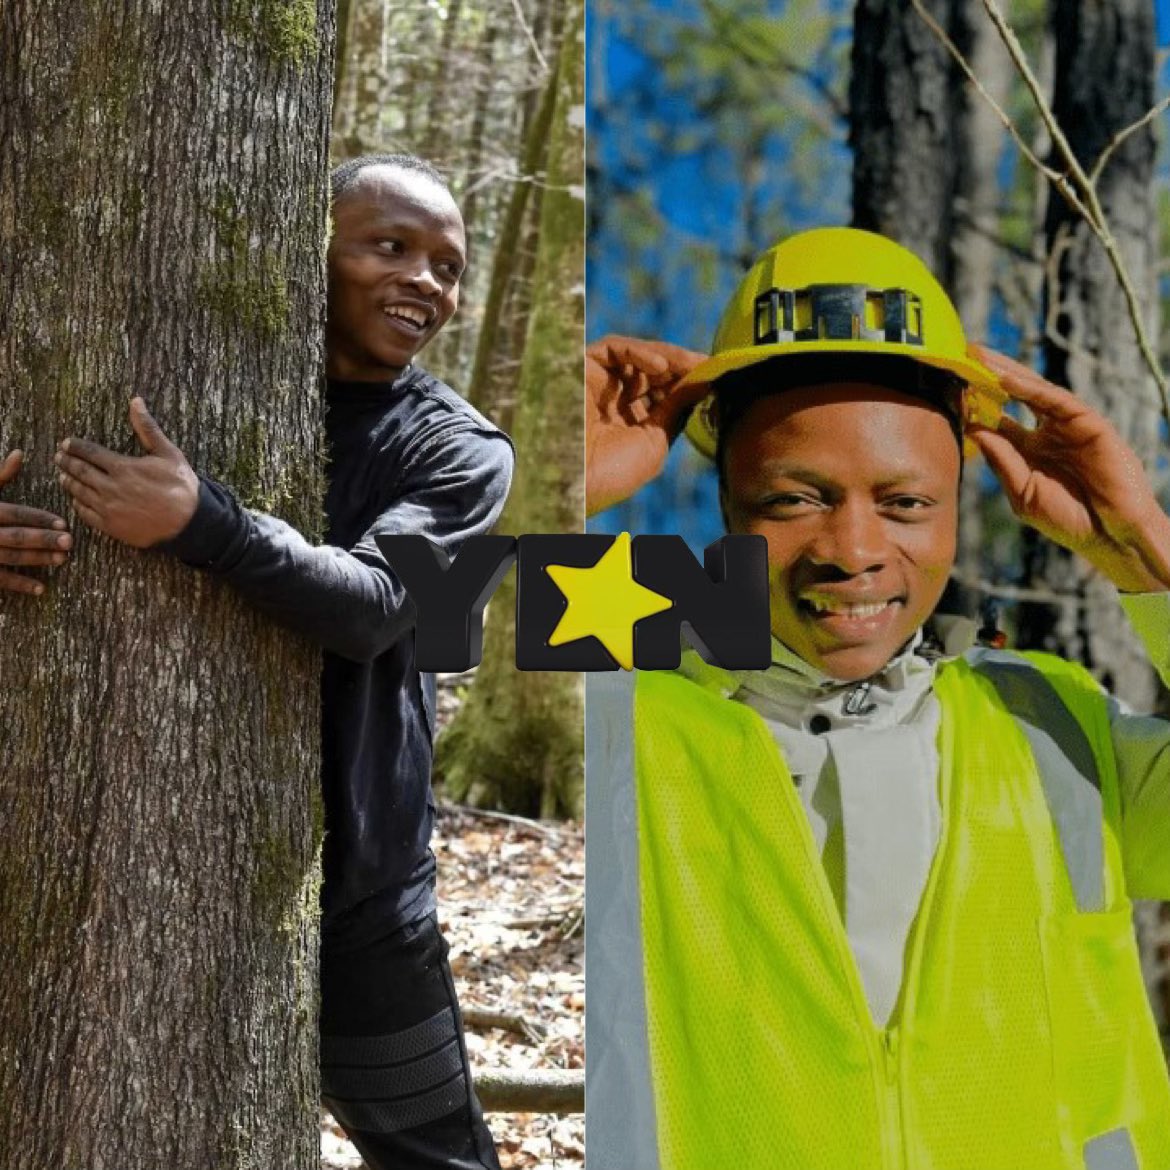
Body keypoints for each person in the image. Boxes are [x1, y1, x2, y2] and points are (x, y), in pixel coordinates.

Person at [584, 227, 1170, 1170]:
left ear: (959, 496)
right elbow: (370, 668)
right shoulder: (623, 716)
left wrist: (1146, 554)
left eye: (905, 503)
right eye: (793, 500)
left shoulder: (1052, 720)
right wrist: (534, 477)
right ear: (726, 501)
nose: (851, 551)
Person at [10, 154, 511, 1170]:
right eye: (389, 246)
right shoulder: (91, 348)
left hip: (357, 898)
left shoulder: (459, 450)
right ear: (306, 246)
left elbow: (375, 607)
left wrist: (206, 525)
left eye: (448, 266)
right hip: (72, 863)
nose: (427, 281)